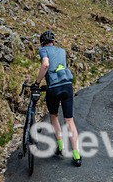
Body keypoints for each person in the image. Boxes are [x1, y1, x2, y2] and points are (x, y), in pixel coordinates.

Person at [34, 30, 81, 167]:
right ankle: (76, 155)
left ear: (42, 43)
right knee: (69, 120)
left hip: (53, 88)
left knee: (54, 116)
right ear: (53, 41)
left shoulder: (43, 50)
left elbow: (46, 64)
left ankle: (60, 147)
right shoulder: (62, 51)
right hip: (67, 86)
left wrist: (37, 82)